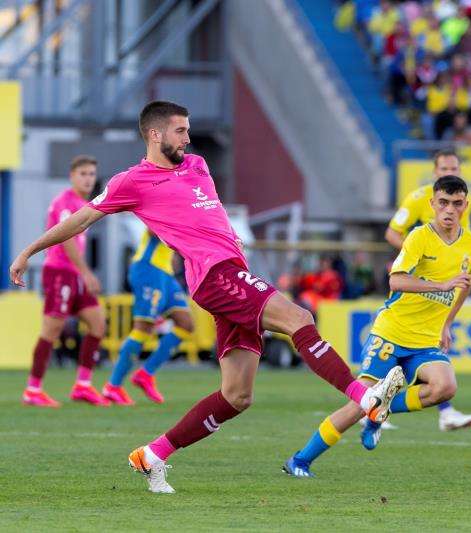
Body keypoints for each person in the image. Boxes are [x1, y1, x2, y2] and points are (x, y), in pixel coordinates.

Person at [9, 101, 404, 493]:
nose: (187, 137)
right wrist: (29, 252)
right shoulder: (131, 182)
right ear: (154, 134)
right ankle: (364, 396)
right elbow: (80, 219)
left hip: (233, 274)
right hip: (215, 276)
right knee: (299, 318)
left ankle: (153, 454)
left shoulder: (197, 165)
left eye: (188, 128)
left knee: (237, 396)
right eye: (180, 130)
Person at [284, 175, 471, 477]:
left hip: (426, 339)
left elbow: (465, 284)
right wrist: (441, 283)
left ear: (465, 206)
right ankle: (300, 460)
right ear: (432, 204)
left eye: (457, 204)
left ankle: (381, 408)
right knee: (358, 402)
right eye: (443, 202)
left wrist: (448, 323)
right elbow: (396, 280)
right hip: (392, 332)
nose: (449, 210)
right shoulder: (419, 237)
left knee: (445, 387)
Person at [386, 149, 471, 431]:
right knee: (398, 342)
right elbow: (392, 233)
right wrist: (414, 254)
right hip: (416, 278)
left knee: (429, 344)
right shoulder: (419, 199)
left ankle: (442, 410)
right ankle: (370, 405)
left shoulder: (460, 202)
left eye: (453, 167)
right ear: (434, 172)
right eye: (443, 168)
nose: (448, 172)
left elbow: (461, 243)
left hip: (442, 283)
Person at [21, 155, 108, 408]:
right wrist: (87, 273)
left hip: (74, 274)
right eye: (83, 174)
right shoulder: (65, 202)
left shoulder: (85, 203)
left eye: (92, 174)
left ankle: (83, 385)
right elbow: (66, 240)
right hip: (60, 272)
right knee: (52, 330)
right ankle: (32, 389)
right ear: (72, 176)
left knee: (98, 323)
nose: (88, 178)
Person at [102, 230, 196, 405]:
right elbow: (153, 229)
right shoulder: (164, 207)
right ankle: (113, 386)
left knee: (186, 324)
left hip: (165, 274)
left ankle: (145, 374)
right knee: (143, 327)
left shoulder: (181, 211)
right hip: (149, 268)